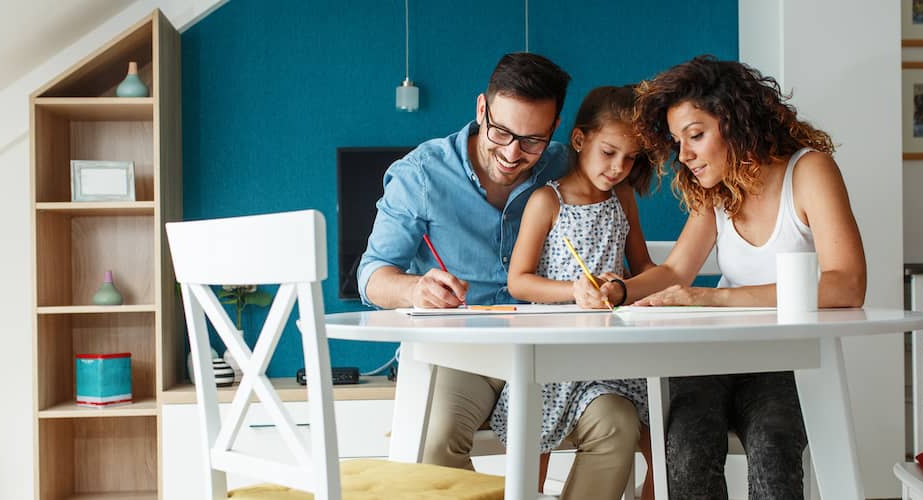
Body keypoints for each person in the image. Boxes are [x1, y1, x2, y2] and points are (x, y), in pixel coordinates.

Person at [358, 53, 632, 493]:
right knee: (436, 440)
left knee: (618, 423)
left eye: (532, 140)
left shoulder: (566, 166)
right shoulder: (422, 174)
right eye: (501, 131)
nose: (511, 153)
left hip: (553, 355)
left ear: (557, 128)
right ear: (482, 109)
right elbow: (371, 275)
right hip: (464, 351)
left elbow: (621, 207)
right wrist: (416, 288)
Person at [606, 55, 868, 498]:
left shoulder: (809, 172)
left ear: (736, 121)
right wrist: (618, 290)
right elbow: (673, 271)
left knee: (773, 447)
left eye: (696, 136)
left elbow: (847, 284)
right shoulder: (718, 190)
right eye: (678, 141)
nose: (685, 155)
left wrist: (715, 299)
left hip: (786, 362)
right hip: (715, 356)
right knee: (686, 451)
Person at [499, 85, 656, 499]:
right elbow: (519, 281)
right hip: (555, 352)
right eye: (609, 152)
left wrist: (629, 288)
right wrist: (574, 290)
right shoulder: (546, 201)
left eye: (630, 158)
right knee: (533, 450)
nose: (619, 167)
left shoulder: (624, 198)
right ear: (579, 139)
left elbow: (644, 269)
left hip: (613, 353)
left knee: (663, 442)